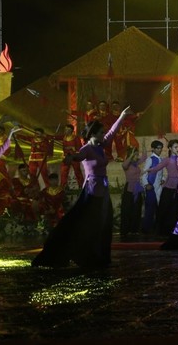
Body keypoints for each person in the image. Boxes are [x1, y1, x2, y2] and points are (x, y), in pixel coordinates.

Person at [32, 107, 131, 268]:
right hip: (92, 190)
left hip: (103, 189)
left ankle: (97, 255)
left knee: (103, 223)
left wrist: (122, 116)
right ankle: (76, 252)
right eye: (100, 133)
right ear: (92, 134)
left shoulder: (100, 145)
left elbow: (112, 132)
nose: (103, 135)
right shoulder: (87, 148)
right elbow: (78, 157)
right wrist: (70, 158)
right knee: (85, 222)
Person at [148, 139, 178, 236]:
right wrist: (148, 170)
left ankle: (177, 230)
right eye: (175, 147)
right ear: (170, 148)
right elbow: (157, 168)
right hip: (169, 186)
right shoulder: (167, 160)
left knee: (177, 209)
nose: (177, 149)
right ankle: (162, 230)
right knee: (165, 208)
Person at [140, 140, 164, 234]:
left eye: (160, 148)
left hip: (158, 186)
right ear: (153, 149)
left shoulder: (161, 160)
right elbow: (144, 172)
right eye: (158, 148)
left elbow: (161, 172)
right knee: (150, 207)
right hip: (151, 186)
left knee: (158, 207)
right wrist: (146, 184)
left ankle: (156, 227)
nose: (159, 150)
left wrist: (163, 178)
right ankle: (146, 228)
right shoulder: (150, 159)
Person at [119, 147, 144, 238]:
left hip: (137, 187)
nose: (137, 156)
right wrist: (131, 155)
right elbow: (124, 165)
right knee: (127, 209)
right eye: (136, 154)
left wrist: (143, 148)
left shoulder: (136, 164)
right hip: (129, 187)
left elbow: (144, 157)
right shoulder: (128, 164)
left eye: (137, 154)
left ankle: (134, 229)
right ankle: (126, 230)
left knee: (136, 209)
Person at [57, 124, 84, 189]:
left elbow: (79, 148)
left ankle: (81, 185)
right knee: (63, 172)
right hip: (66, 156)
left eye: (67, 129)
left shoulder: (76, 138)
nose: (65, 131)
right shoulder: (64, 137)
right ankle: (63, 186)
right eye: (65, 129)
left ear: (71, 130)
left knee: (77, 171)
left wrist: (73, 149)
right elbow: (55, 137)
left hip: (74, 156)